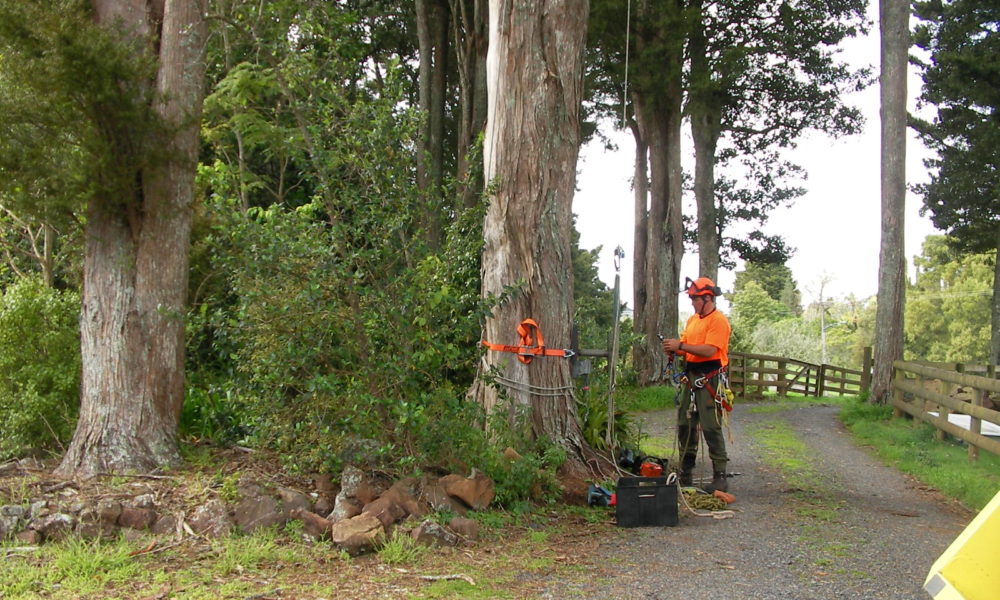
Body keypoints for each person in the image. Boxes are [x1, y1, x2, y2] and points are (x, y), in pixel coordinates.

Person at [661, 276, 732, 493]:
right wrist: (675, 348)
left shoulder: (718, 321)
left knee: (710, 425)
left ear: (707, 298)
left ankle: (720, 474)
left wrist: (681, 345)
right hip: (691, 377)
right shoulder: (693, 321)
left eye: (695, 299)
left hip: (710, 377)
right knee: (685, 424)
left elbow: (710, 350)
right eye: (692, 299)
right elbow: (688, 346)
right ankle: (686, 471)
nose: (692, 303)